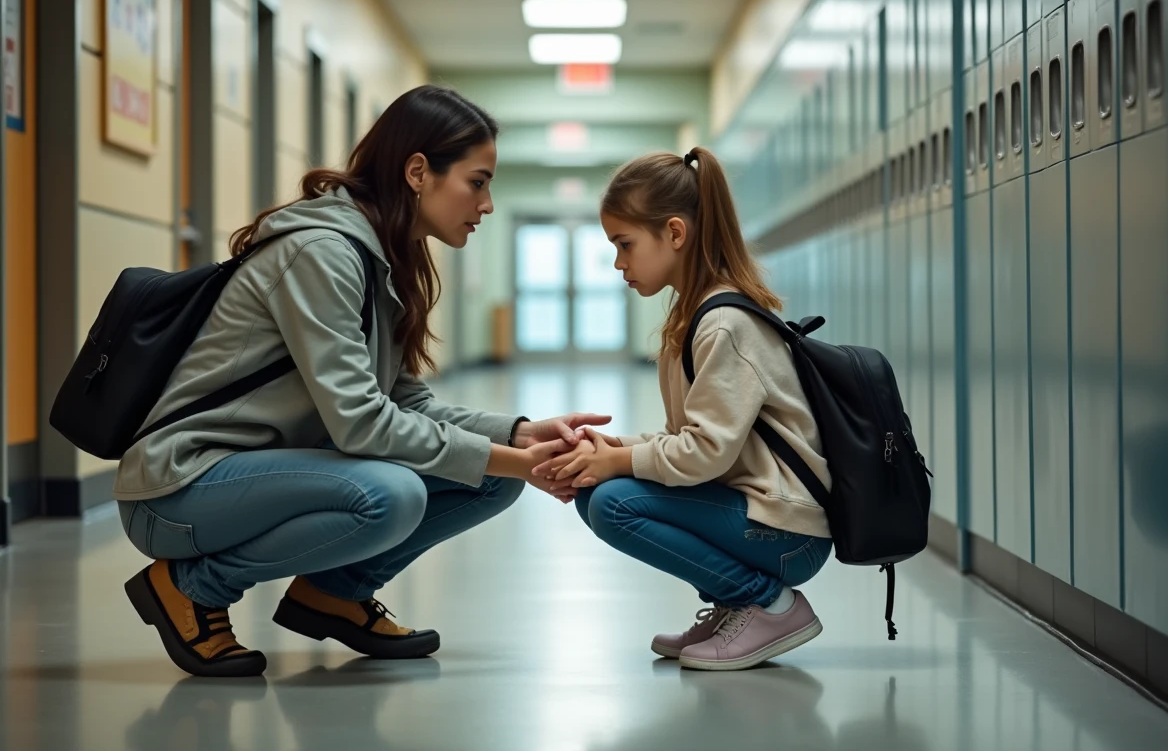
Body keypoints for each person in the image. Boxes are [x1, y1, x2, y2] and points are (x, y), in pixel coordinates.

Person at [115, 85, 607, 678]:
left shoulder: (381, 255)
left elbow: (406, 402)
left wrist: (522, 435)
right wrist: (513, 458)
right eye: (478, 182)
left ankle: (333, 594)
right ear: (419, 172)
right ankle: (191, 587)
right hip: (181, 487)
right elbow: (360, 422)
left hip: (257, 474)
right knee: (390, 494)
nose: (487, 204)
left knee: (490, 481)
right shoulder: (322, 251)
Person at [533, 147, 833, 672]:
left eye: (624, 244)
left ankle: (769, 603)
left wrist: (619, 463)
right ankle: (738, 602)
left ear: (674, 233)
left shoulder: (723, 324)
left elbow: (705, 453)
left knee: (612, 503)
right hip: (758, 515)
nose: (618, 262)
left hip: (790, 534)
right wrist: (612, 450)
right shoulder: (696, 314)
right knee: (596, 493)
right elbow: (692, 439)